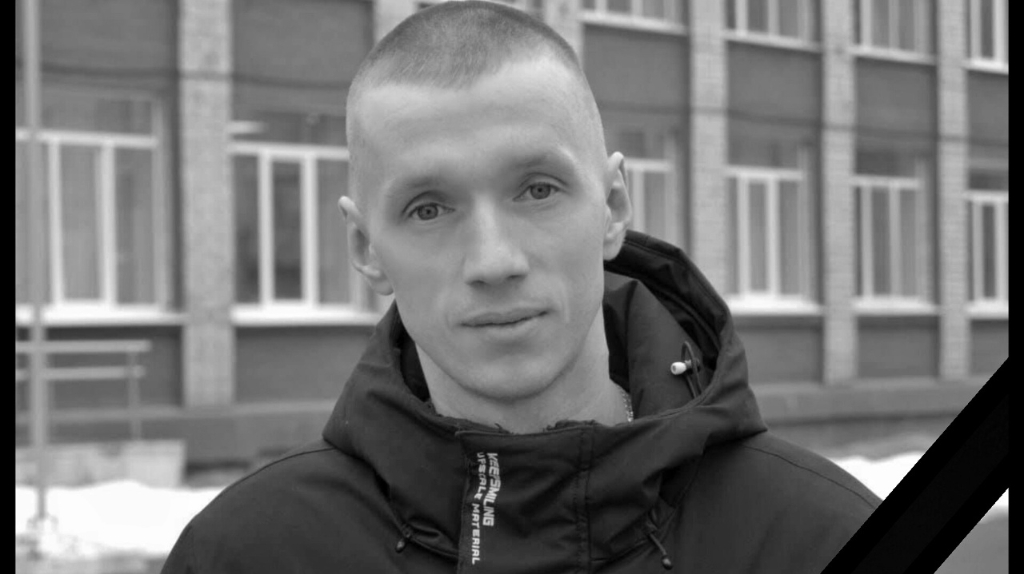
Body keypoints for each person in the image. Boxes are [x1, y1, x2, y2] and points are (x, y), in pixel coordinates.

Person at [161, 2, 880, 572]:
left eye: (538, 189)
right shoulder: (249, 554)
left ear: (613, 208)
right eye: (428, 208)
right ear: (365, 249)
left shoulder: (817, 538)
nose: (493, 261)